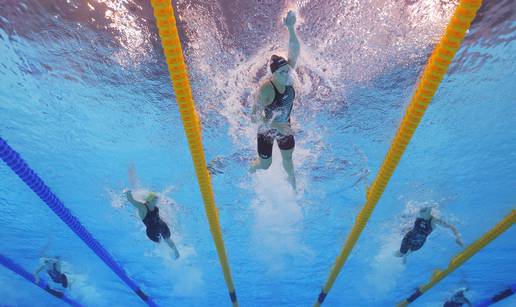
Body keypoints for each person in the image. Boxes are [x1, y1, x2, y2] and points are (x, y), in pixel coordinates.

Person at [249, 10, 300, 190]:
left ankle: (293, 186)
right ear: (274, 74)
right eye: (282, 72)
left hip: (284, 125)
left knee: (288, 158)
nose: (287, 75)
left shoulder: (288, 76)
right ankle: (250, 167)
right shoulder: (266, 90)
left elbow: (294, 51)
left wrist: (291, 28)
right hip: (267, 130)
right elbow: (253, 116)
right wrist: (277, 126)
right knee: (266, 165)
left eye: (288, 70)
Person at [395, 207, 465, 263]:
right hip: (409, 237)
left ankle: (406, 256)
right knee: (400, 254)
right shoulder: (418, 215)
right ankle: (393, 255)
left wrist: (459, 238)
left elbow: (451, 226)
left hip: (419, 243)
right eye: (421, 210)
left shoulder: (434, 220)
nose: (420, 212)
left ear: (429, 212)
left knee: (409, 251)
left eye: (423, 211)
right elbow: (410, 221)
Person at [124, 189, 180, 259]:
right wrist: (127, 192)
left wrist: (167, 222)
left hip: (161, 225)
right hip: (151, 231)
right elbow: (132, 201)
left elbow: (158, 216)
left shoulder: (155, 208)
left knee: (168, 239)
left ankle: (176, 251)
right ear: (149, 201)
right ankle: (164, 254)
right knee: (159, 243)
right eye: (155, 200)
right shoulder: (143, 208)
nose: (157, 201)